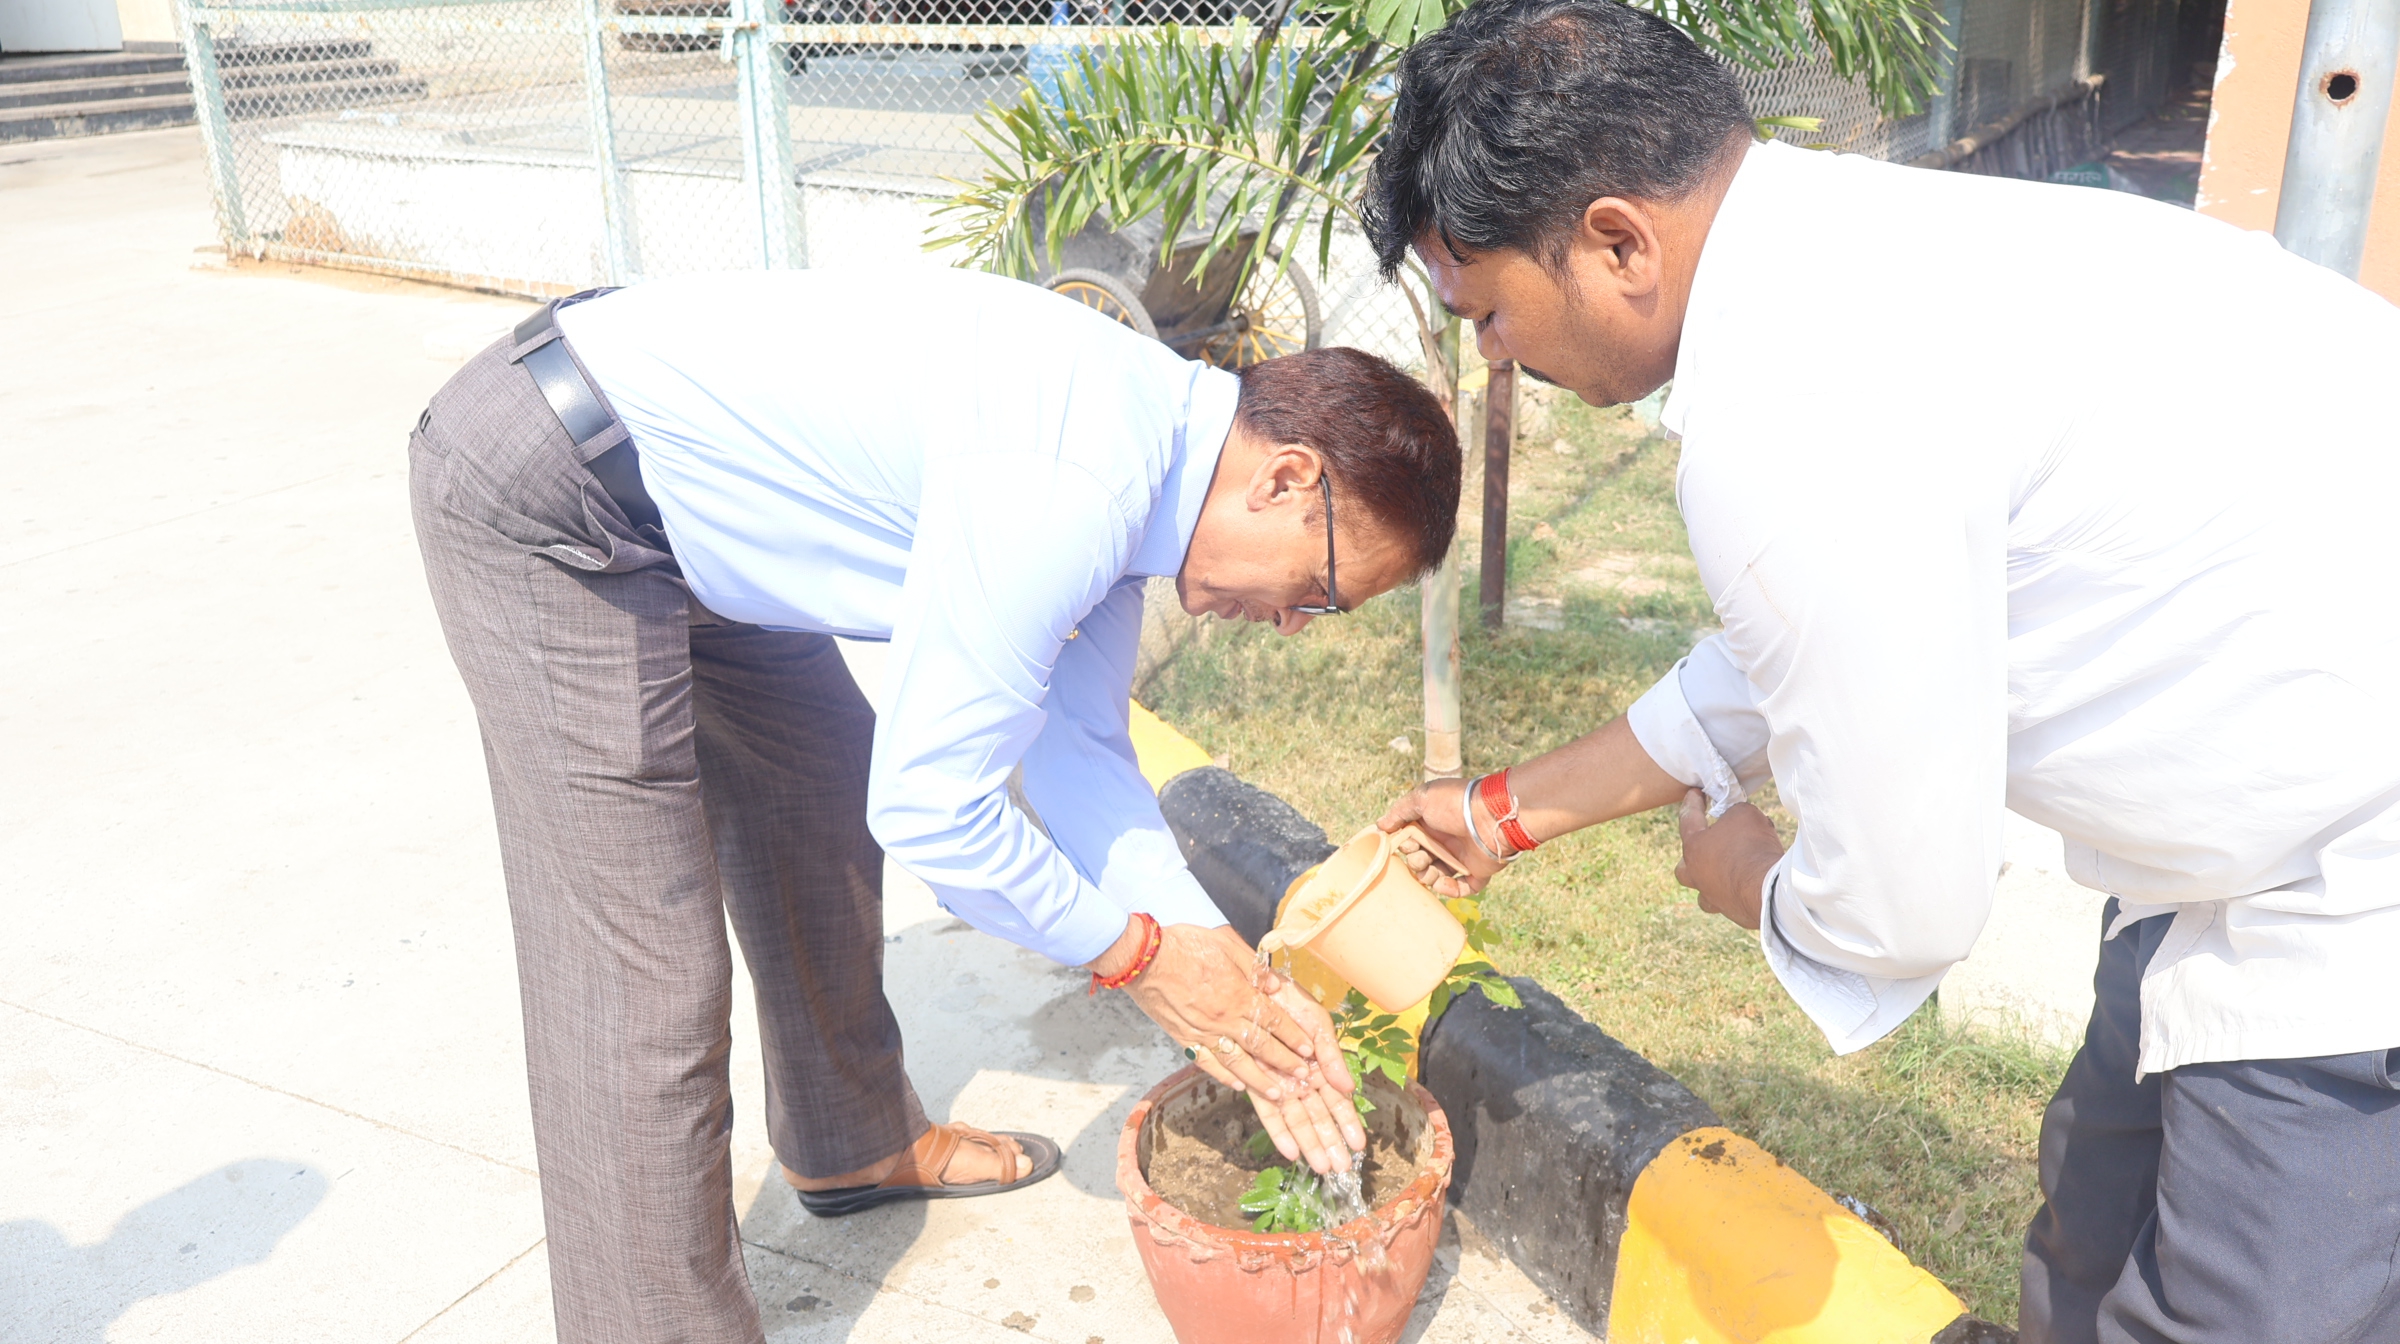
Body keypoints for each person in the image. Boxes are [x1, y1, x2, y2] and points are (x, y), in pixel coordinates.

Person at [1361, 2, 2400, 1340]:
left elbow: (1905, 906)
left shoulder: (1790, 412)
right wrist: (1499, 816)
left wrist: (1755, 885)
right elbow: (1799, 652)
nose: (1495, 354)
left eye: (1491, 310)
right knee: (2087, 1245)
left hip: (2347, 876)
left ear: (1619, 242)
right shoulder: (1850, 245)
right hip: (2246, 830)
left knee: (2241, 1309)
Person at [408, 265, 1460, 1344]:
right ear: (1285, 479)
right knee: (644, 978)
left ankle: (848, 1138)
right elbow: (933, 812)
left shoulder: (1146, 473)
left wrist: (1216, 960)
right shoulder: (1076, 483)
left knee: (812, 779)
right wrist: (1139, 957)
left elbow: (1081, 755)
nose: (1292, 623)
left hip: (685, 500)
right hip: (558, 490)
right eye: (1320, 590)